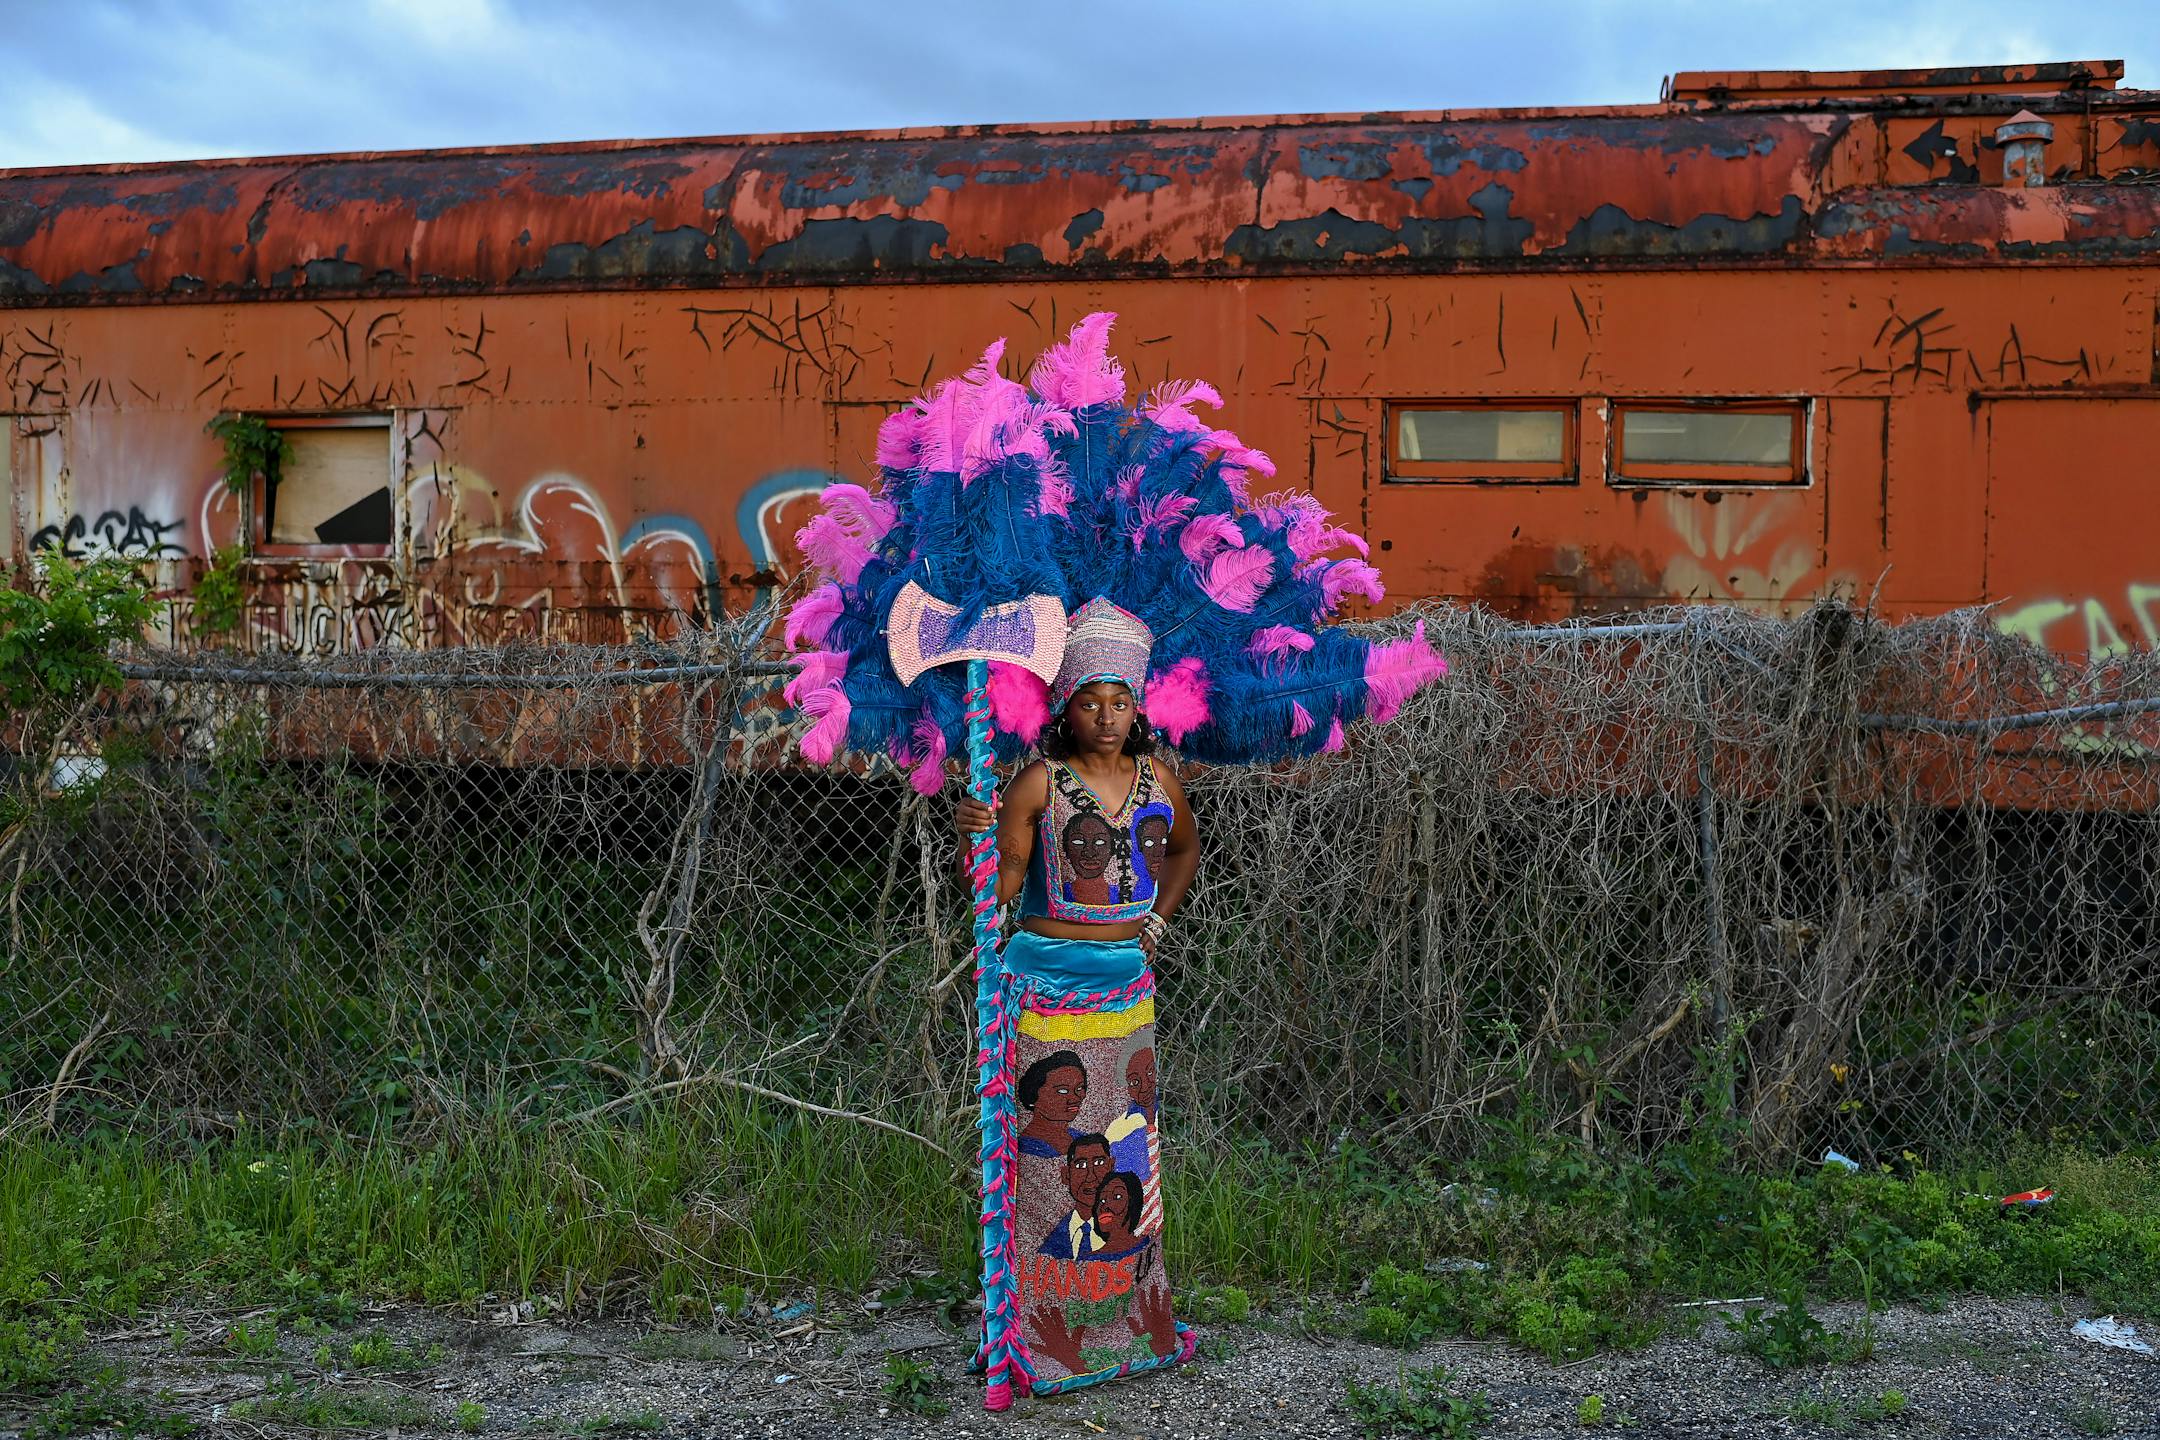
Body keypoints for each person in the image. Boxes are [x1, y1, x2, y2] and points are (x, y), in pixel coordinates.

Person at [954, 598, 1200, 1394]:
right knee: (1051, 1168)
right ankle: (1035, 1334)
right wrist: (978, 843)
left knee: (1129, 1158)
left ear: (1138, 708)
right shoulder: (1038, 783)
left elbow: (1187, 851)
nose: (1106, 717)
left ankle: (1128, 1328)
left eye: (1120, 702)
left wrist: (1155, 924)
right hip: (1046, 989)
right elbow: (1002, 898)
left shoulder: (1160, 778)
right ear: (1066, 709)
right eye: (1090, 702)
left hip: (1128, 990)